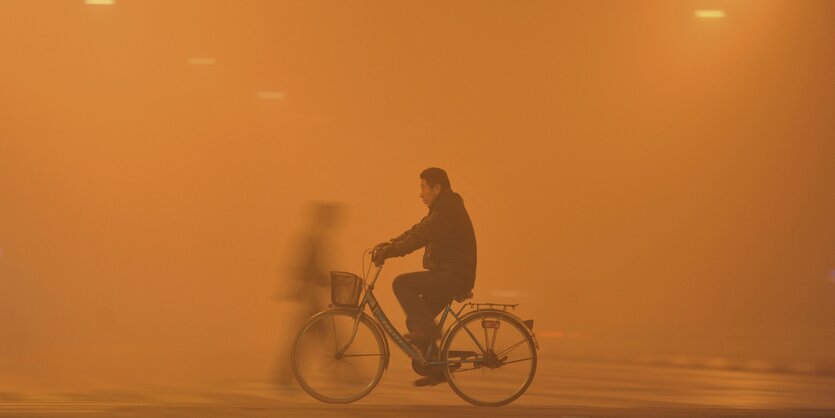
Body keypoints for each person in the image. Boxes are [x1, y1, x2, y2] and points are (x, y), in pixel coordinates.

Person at [372, 167, 477, 387]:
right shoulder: (444, 208)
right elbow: (418, 229)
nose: (421, 194)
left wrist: (390, 252)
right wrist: (391, 244)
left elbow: (420, 236)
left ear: (437, 187)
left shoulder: (447, 210)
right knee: (416, 319)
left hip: (453, 276)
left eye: (423, 187)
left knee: (402, 284)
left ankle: (429, 332)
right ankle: (438, 370)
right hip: (449, 274)